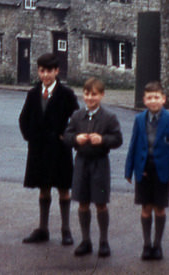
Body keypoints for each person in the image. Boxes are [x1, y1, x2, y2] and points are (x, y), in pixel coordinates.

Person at [18, 52, 79, 246]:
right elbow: (23, 119)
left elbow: (77, 119)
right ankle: (43, 229)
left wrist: (66, 138)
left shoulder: (66, 94)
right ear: (38, 71)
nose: (45, 75)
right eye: (42, 71)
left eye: (49, 71)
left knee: (63, 189)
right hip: (39, 149)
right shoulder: (33, 93)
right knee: (43, 189)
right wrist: (31, 137)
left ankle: (66, 229)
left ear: (57, 71)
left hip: (60, 150)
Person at [124, 81, 169, 261]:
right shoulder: (139, 119)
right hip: (143, 171)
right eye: (150, 98)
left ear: (163, 99)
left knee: (159, 208)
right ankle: (146, 245)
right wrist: (129, 170)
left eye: (157, 97)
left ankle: (157, 245)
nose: (153, 101)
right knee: (145, 208)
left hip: (162, 172)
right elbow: (133, 145)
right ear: (144, 100)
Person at [64, 77, 123, 258]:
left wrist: (103, 140)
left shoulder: (109, 118)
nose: (90, 98)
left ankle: (103, 242)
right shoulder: (76, 116)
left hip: (100, 164)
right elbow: (66, 135)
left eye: (94, 95)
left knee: (100, 203)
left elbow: (118, 139)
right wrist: (75, 139)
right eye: (87, 94)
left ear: (102, 96)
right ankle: (85, 240)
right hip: (81, 162)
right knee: (82, 203)